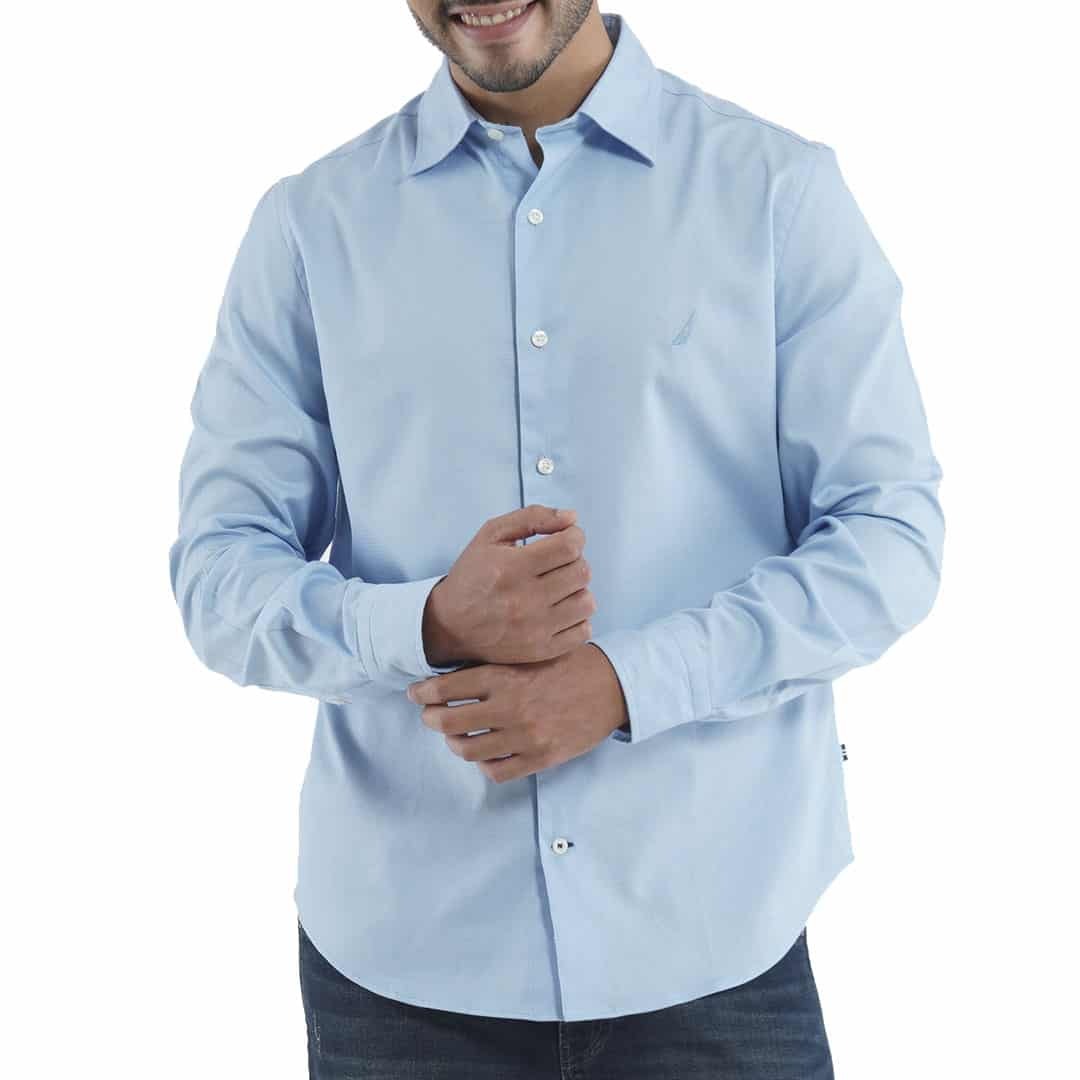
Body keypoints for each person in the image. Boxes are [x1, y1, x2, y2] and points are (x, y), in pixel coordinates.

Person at [168, 3, 945, 1076]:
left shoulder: (776, 191)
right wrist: (428, 623)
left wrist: (626, 685)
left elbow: (889, 535)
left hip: (714, 940)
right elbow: (219, 571)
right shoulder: (312, 225)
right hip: (404, 967)